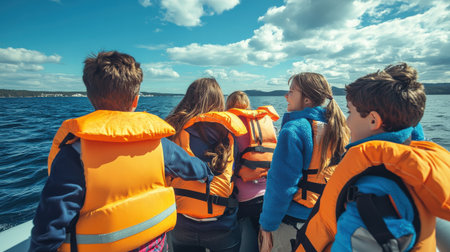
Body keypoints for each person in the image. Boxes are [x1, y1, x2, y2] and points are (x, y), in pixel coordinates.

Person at [29, 51, 214, 252]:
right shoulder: (160, 146)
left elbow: (49, 226)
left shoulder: (73, 154)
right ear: (135, 100)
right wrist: (209, 171)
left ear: (91, 98)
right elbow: (198, 170)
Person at [294, 63, 450, 251]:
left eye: (350, 112)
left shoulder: (372, 192)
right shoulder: (404, 166)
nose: (346, 120)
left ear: (373, 120)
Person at [258, 73, 349, 252]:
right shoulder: (341, 127)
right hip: (327, 220)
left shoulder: (294, 130)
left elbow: (281, 186)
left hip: (293, 222)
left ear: (306, 100)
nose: (286, 95)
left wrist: (266, 226)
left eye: (291, 91)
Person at [165, 78, 247, 252]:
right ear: (219, 101)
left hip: (181, 222)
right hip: (221, 225)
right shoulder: (231, 134)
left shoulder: (172, 131)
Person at [226, 91, 280, 252]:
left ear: (228, 106)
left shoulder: (231, 125)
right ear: (248, 104)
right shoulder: (265, 123)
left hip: (242, 199)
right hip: (267, 195)